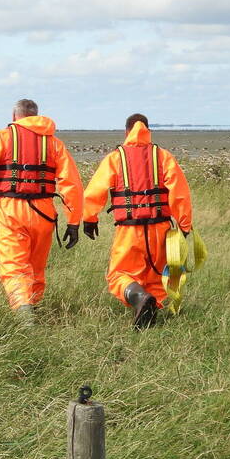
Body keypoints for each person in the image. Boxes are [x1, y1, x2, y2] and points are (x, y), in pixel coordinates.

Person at [0, 99, 84, 324]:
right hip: (44, 212)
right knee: (36, 267)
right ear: (36, 115)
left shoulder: (1, 137)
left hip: (11, 210)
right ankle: (32, 306)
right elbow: (72, 184)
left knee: (15, 266)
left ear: (14, 116)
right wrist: (74, 222)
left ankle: (25, 316)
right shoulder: (54, 144)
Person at [82, 113, 193, 329]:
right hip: (160, 229)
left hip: (129, 230)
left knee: (119, 275)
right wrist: (185, 224)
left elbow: (95, 190)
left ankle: (140, 299)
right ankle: (149, 312)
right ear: (148, 131)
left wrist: (89, 218)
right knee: (157, 276)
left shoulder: (116, 157)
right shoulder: (163, 156)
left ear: (126, 132)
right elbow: (180, 193)